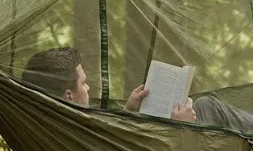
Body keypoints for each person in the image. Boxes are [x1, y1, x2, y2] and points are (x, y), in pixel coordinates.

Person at [22, 47, 196, 122]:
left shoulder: (61, 127)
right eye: (83, 83)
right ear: (69, 95)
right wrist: (181, 128)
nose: (88, 88)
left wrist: (129, 109)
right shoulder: (78, 133)